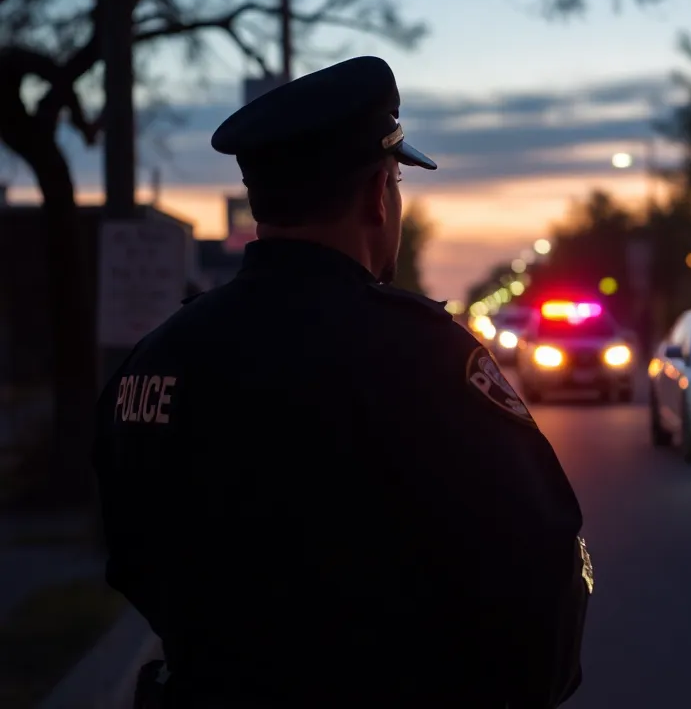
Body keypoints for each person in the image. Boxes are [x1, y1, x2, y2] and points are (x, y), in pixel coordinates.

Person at [93, 56, 591, 708]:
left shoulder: (159, 355)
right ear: (376, 196)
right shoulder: (418, 355)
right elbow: (542, 567)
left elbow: (129, 553)